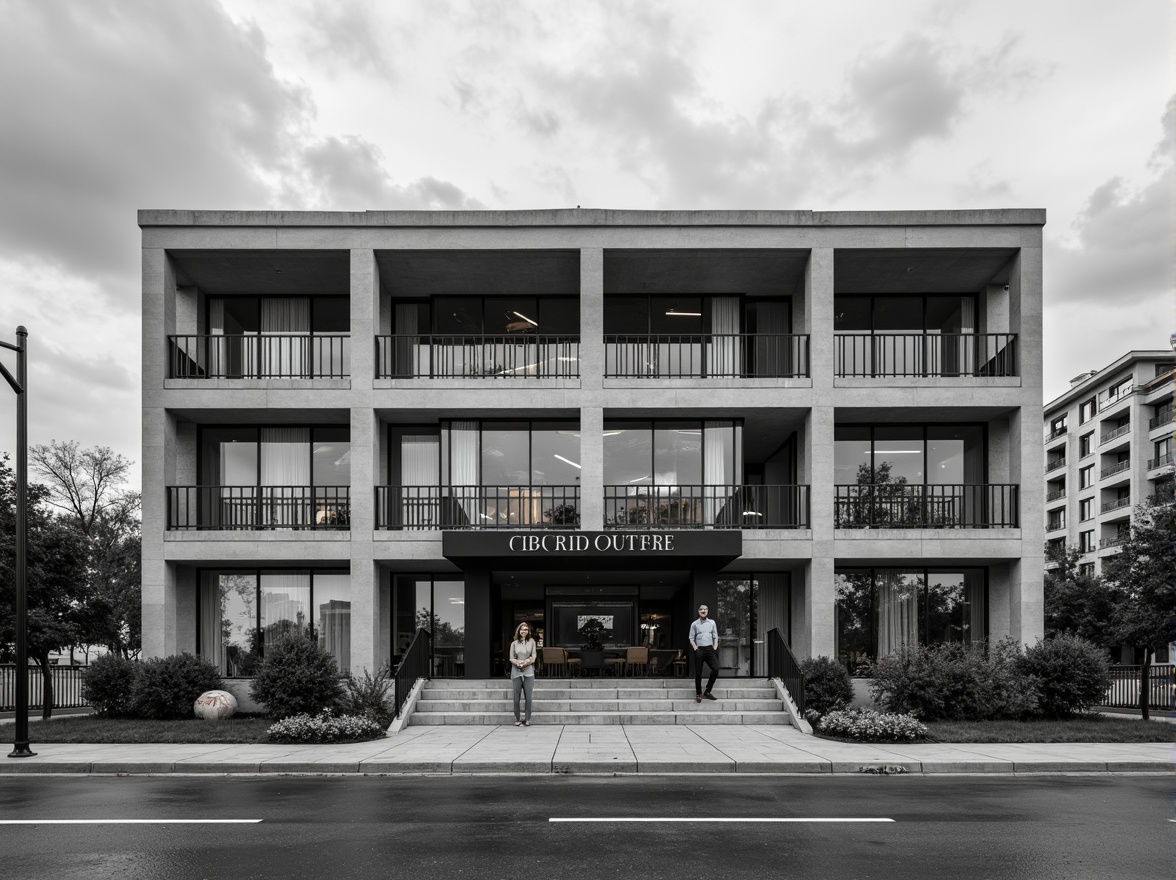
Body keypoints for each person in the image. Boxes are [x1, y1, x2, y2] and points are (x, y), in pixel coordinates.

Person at [509, 621, 538, 726]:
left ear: (528, 631)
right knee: (516, 697)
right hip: (516, 671)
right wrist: (518, 663)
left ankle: (527, 719)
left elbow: (533, 656)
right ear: (519, 630)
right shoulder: (514, 643)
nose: (524, 631)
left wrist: (526, 662)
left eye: (526, 629)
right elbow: (511, 658)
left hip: (528, 671)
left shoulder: (532, 642)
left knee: (528, 697)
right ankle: (517, 719)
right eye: (522, 629)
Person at [689, 604, 720, 703]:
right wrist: (696, 649)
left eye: (705, 609)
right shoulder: (694, 624)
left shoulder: (712, 623)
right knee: (698, 673)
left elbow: (715, 635)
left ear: (707, 611)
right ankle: (699, 694)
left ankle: (708, 691)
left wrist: (714, 647)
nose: (703, 611)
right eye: (701, 609)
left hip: (710, 649)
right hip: (699, 650)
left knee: (716, 669)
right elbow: (691, 637)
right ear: (699, 611)